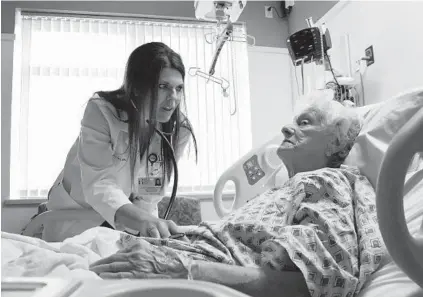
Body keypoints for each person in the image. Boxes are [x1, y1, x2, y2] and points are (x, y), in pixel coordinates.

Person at [89, 91, 386, 297]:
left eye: (305, 122)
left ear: (334, 142)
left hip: (168, 272)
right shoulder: (283, 190)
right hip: (147, 256)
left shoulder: (327, 182)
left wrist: (181, 269)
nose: (285, 128)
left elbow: (314, 284)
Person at [44, 42, 197, 242]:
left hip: (129, 219)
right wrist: (141, 221)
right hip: (76, 214)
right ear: (138, 87)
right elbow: (99, 183)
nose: (174, 97)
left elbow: (150, 192)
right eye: (163, 87)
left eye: (179, 88)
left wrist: (148, 231)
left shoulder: (179, 129)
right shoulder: (102, 111)